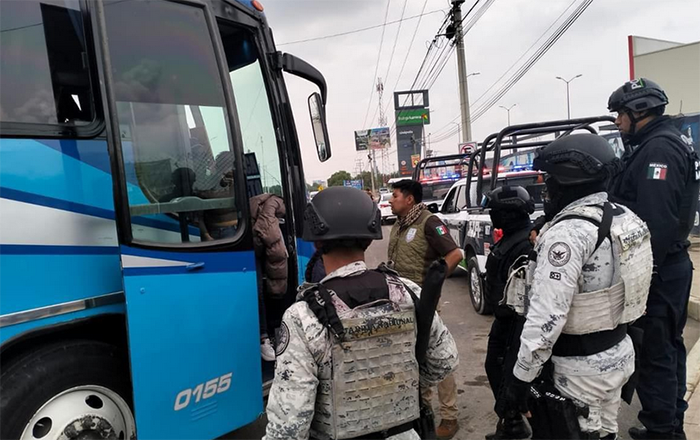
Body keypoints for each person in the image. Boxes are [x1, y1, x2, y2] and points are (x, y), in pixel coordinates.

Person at [264, 186, 459, 440]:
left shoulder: (303, 316)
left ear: (317, 243)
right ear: (368, 239)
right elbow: (443, 361)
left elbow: (289, 427)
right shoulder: (408, 292)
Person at [505, 134, 653, 440]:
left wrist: (520, 379)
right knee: (606, 432)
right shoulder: (627, 218)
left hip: (579, 371)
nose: (546, 190)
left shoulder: (568, 233)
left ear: (565, 181)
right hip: (619, 353)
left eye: (549, 181)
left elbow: (547, 317)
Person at [607, 78, 700, 440]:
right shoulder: (663, 142)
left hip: (659, 270)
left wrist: (642, 277)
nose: (617, 121)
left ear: (639, 111)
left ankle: (662, 430)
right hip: (670, 267)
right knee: (668, 348)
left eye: (620, 114)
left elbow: (655, 222)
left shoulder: (658, 149)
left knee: (655, 351)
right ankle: (668, 423)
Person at [387, 179, 463, 440]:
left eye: (395, 196)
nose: (390, 200)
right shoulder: (400, 224)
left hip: (424, 303)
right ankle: (423, 411)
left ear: (409, 199)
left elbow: (455, 254)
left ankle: (450, 416)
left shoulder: (429, 222)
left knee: (437, 356)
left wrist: (433, 285)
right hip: (403, 303)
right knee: (414, 358)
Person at [482, 186, 535, 440]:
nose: (492, 216)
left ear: (508, 214)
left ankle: (516, 425)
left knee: (510, 374)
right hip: (503, 320)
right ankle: (510, 422)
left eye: (495, 211)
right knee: (496, 367)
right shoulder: (512, 237)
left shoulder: (525, 244)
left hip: (516, 324)